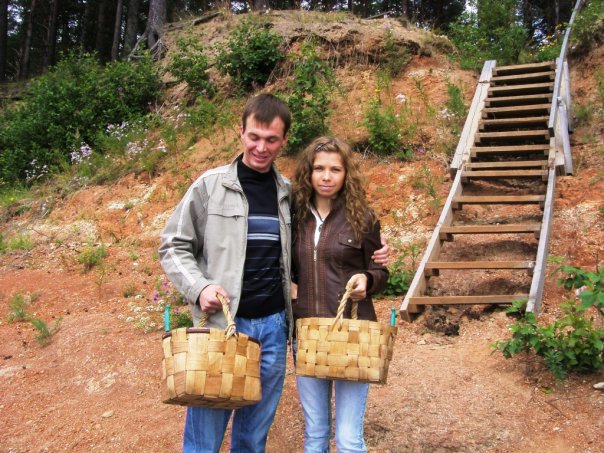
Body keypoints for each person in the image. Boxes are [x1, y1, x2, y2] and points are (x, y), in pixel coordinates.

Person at [159, 94, 389, 453]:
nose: (261, 147)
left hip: (274, 329)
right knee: (204, 436)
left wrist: (374, 261)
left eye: (271, 139)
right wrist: (199, 287)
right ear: (241, 132)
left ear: (284, 141)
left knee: (253, 436)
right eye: (254, 137)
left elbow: (317, 249)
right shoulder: (210, 186)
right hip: (222, 326)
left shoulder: (288, 195)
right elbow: (173, 245)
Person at [291, 136, 389, 453]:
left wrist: (367, 279)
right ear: (308, 172)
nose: (327, 176)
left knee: (348, 438)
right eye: (319, 168)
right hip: (308, 334)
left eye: (335, 169)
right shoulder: (293, 218)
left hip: (352, 335)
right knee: (315, 434)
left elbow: (380, 272)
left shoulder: (363, 218)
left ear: (346, 174)